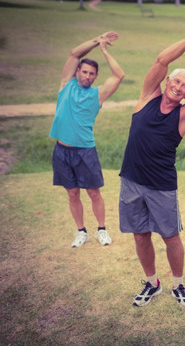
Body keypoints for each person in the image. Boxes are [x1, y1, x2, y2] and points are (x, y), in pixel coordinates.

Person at [118, 22, 185, 307]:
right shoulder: (146, 98)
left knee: (171, 237)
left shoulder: (184, 115)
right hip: (131, 180)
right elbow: (162, 60)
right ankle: (152, 283)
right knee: (140, 237)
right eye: (176, 81)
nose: (178, 87)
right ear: (166, 83)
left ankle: (178, 284)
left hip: (161, 186)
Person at [49, 31, 125, 248]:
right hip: (62, 150)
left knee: (93, 192)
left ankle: (102, 229)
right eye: (84, 72)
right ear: (77, 72)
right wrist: (97, 39)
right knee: (72, 193)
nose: (87, 76)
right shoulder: (66, 85)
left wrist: (104, 50)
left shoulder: (98, 94)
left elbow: (119, 75)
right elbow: (74, 54)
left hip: (85, 151)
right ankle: (81, 231)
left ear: (95, 76)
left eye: (92, 74)